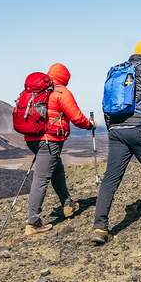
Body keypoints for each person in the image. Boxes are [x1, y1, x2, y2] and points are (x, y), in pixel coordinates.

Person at [92, 41, 141, 245]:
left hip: (117, 131)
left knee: (110, 178)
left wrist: (111, 127)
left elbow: (106, 100)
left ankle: (100, 227)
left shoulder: (118, 70)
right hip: (140, 129)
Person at [23, 63, 97, 236]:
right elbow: (76, 117)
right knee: (41, 178)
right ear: (65, 78)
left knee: (56, 168)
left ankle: (67, 204)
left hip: (31, 138)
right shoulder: (61, 92)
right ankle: (33, 223)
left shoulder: (36, 92)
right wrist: (90, 125)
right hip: (49, 140)